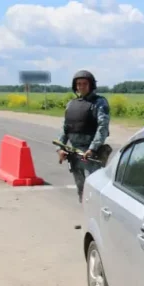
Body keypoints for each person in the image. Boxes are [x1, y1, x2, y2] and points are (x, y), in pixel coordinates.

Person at [56, 70, 111, 203]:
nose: (81, 87)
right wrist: (60, 148)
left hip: (91, 154)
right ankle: (85, 214)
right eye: (78, 84)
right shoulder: (71, 104)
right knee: (81, 189)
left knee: (94, 189)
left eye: (84, 84)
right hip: (74, 153)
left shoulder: (99, 103)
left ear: (91, 85)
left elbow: (102, 127)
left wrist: (92, 148)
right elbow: (65, 128)